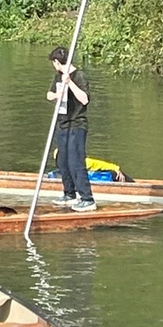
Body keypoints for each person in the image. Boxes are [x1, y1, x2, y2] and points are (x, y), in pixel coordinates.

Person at [48, 46, 93, 210]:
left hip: (77, 124)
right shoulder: (58, 76)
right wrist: (55, 95)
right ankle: (69, 193)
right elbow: (49, 94)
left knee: (76, 161)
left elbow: (85, 99)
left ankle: (87, 198)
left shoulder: (79, 76)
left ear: (56, 62)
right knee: (62, 160)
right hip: (62, 123)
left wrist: (70, 83)